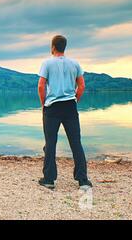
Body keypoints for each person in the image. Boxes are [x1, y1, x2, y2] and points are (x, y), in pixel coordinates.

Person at [37, 35, 92, 190]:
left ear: (53, 47)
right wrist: (75, 100)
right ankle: (83, 180)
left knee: (50, 143)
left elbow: (41, 86)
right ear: (64, 47)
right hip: (70, 107)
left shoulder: (47, 63)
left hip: (52, 107)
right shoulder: (74, 64)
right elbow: (81, 86)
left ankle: (49, 180)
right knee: (76, 143)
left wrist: (43, 104)